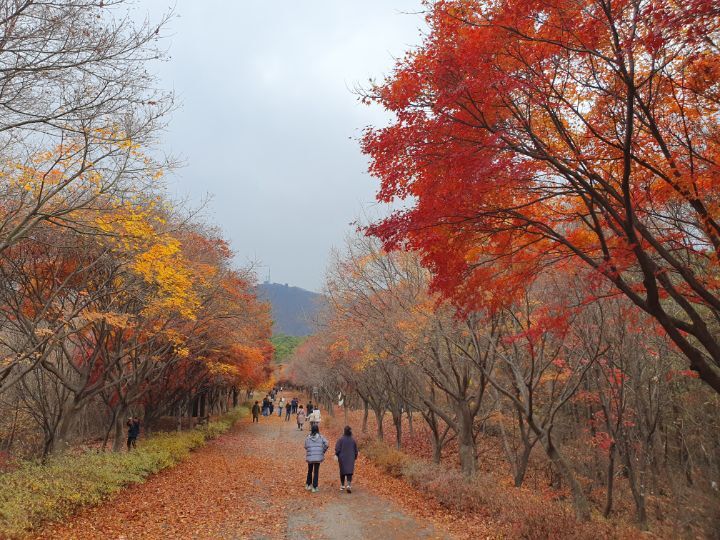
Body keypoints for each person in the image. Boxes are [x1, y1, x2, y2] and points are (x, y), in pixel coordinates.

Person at [304, 424, 329, 493]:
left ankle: (308, 485)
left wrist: (309, 450)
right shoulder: (321, 437)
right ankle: (314, 487)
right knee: (316, 471)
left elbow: (305, 446)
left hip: (310, 457)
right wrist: (322, 451)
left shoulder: (308, 437)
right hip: (318, 457)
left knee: (310, 470)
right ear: (318, 429)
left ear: (312, 430)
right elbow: (327, 444)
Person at [335, 425, 359, 493]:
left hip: (342, 458)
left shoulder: (340, 439)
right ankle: (348, 484)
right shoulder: (353, 440)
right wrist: (355, 456)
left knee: (342, 471)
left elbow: (337, 448)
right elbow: (356, 450)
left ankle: (342, 485)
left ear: (344, 431)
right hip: (351, 457)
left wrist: (336, 454)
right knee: (349, 471)